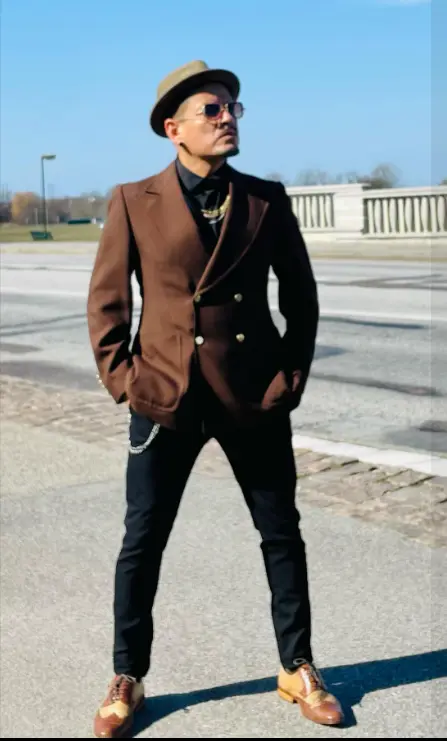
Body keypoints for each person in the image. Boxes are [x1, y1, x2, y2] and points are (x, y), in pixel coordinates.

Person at [87, 59, 343, 738]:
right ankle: (127, 674)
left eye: (233, 107)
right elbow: (108, 302)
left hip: (252, 394)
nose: (227, 117)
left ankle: (297, 665)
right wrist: (125, 379)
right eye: (212, 109)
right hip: (164, 395)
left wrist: (289, 377)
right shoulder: (132, 200)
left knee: (280, 533)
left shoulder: (265, 199)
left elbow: (301, 297)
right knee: (142, 540)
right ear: (173, 129)